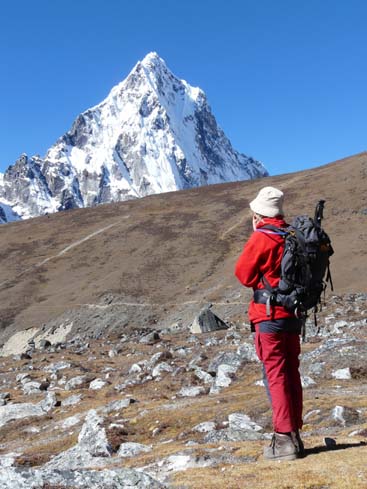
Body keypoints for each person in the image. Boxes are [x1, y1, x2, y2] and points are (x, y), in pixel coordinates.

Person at [235, 186, 304, 461]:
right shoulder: (293, 236)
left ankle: (284, 440)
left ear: (258, 214)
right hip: (293, 316)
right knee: (291, 373)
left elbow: (244, 275)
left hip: (269, 317)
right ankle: (295, 436)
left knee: (275, 374)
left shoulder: (262, 238)